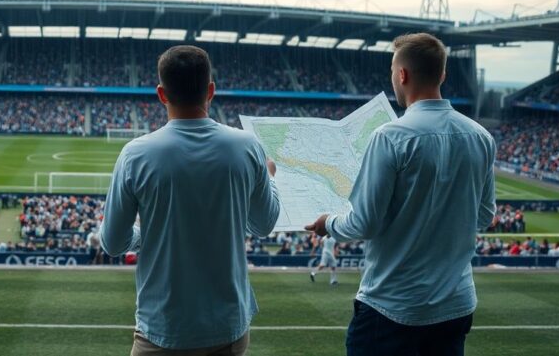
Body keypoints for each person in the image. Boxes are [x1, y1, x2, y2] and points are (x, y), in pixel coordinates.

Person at [306, 33, 496, 356]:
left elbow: (363, 223)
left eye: (393, 71)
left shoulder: (390, 137)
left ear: (402, 75)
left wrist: (329, 224)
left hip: (393, 308)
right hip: (455, 305)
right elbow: (484, 217)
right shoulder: (481, 137)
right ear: (443, 75)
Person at [100, 45, 280, 355]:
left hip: (161, 330)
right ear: (211, 90)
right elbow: (264, 224)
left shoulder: (135, 154)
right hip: (228, 329)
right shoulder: (248, 146)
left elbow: (113, 243)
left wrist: (144, 237)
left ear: (161, 93)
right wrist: (270, 178)